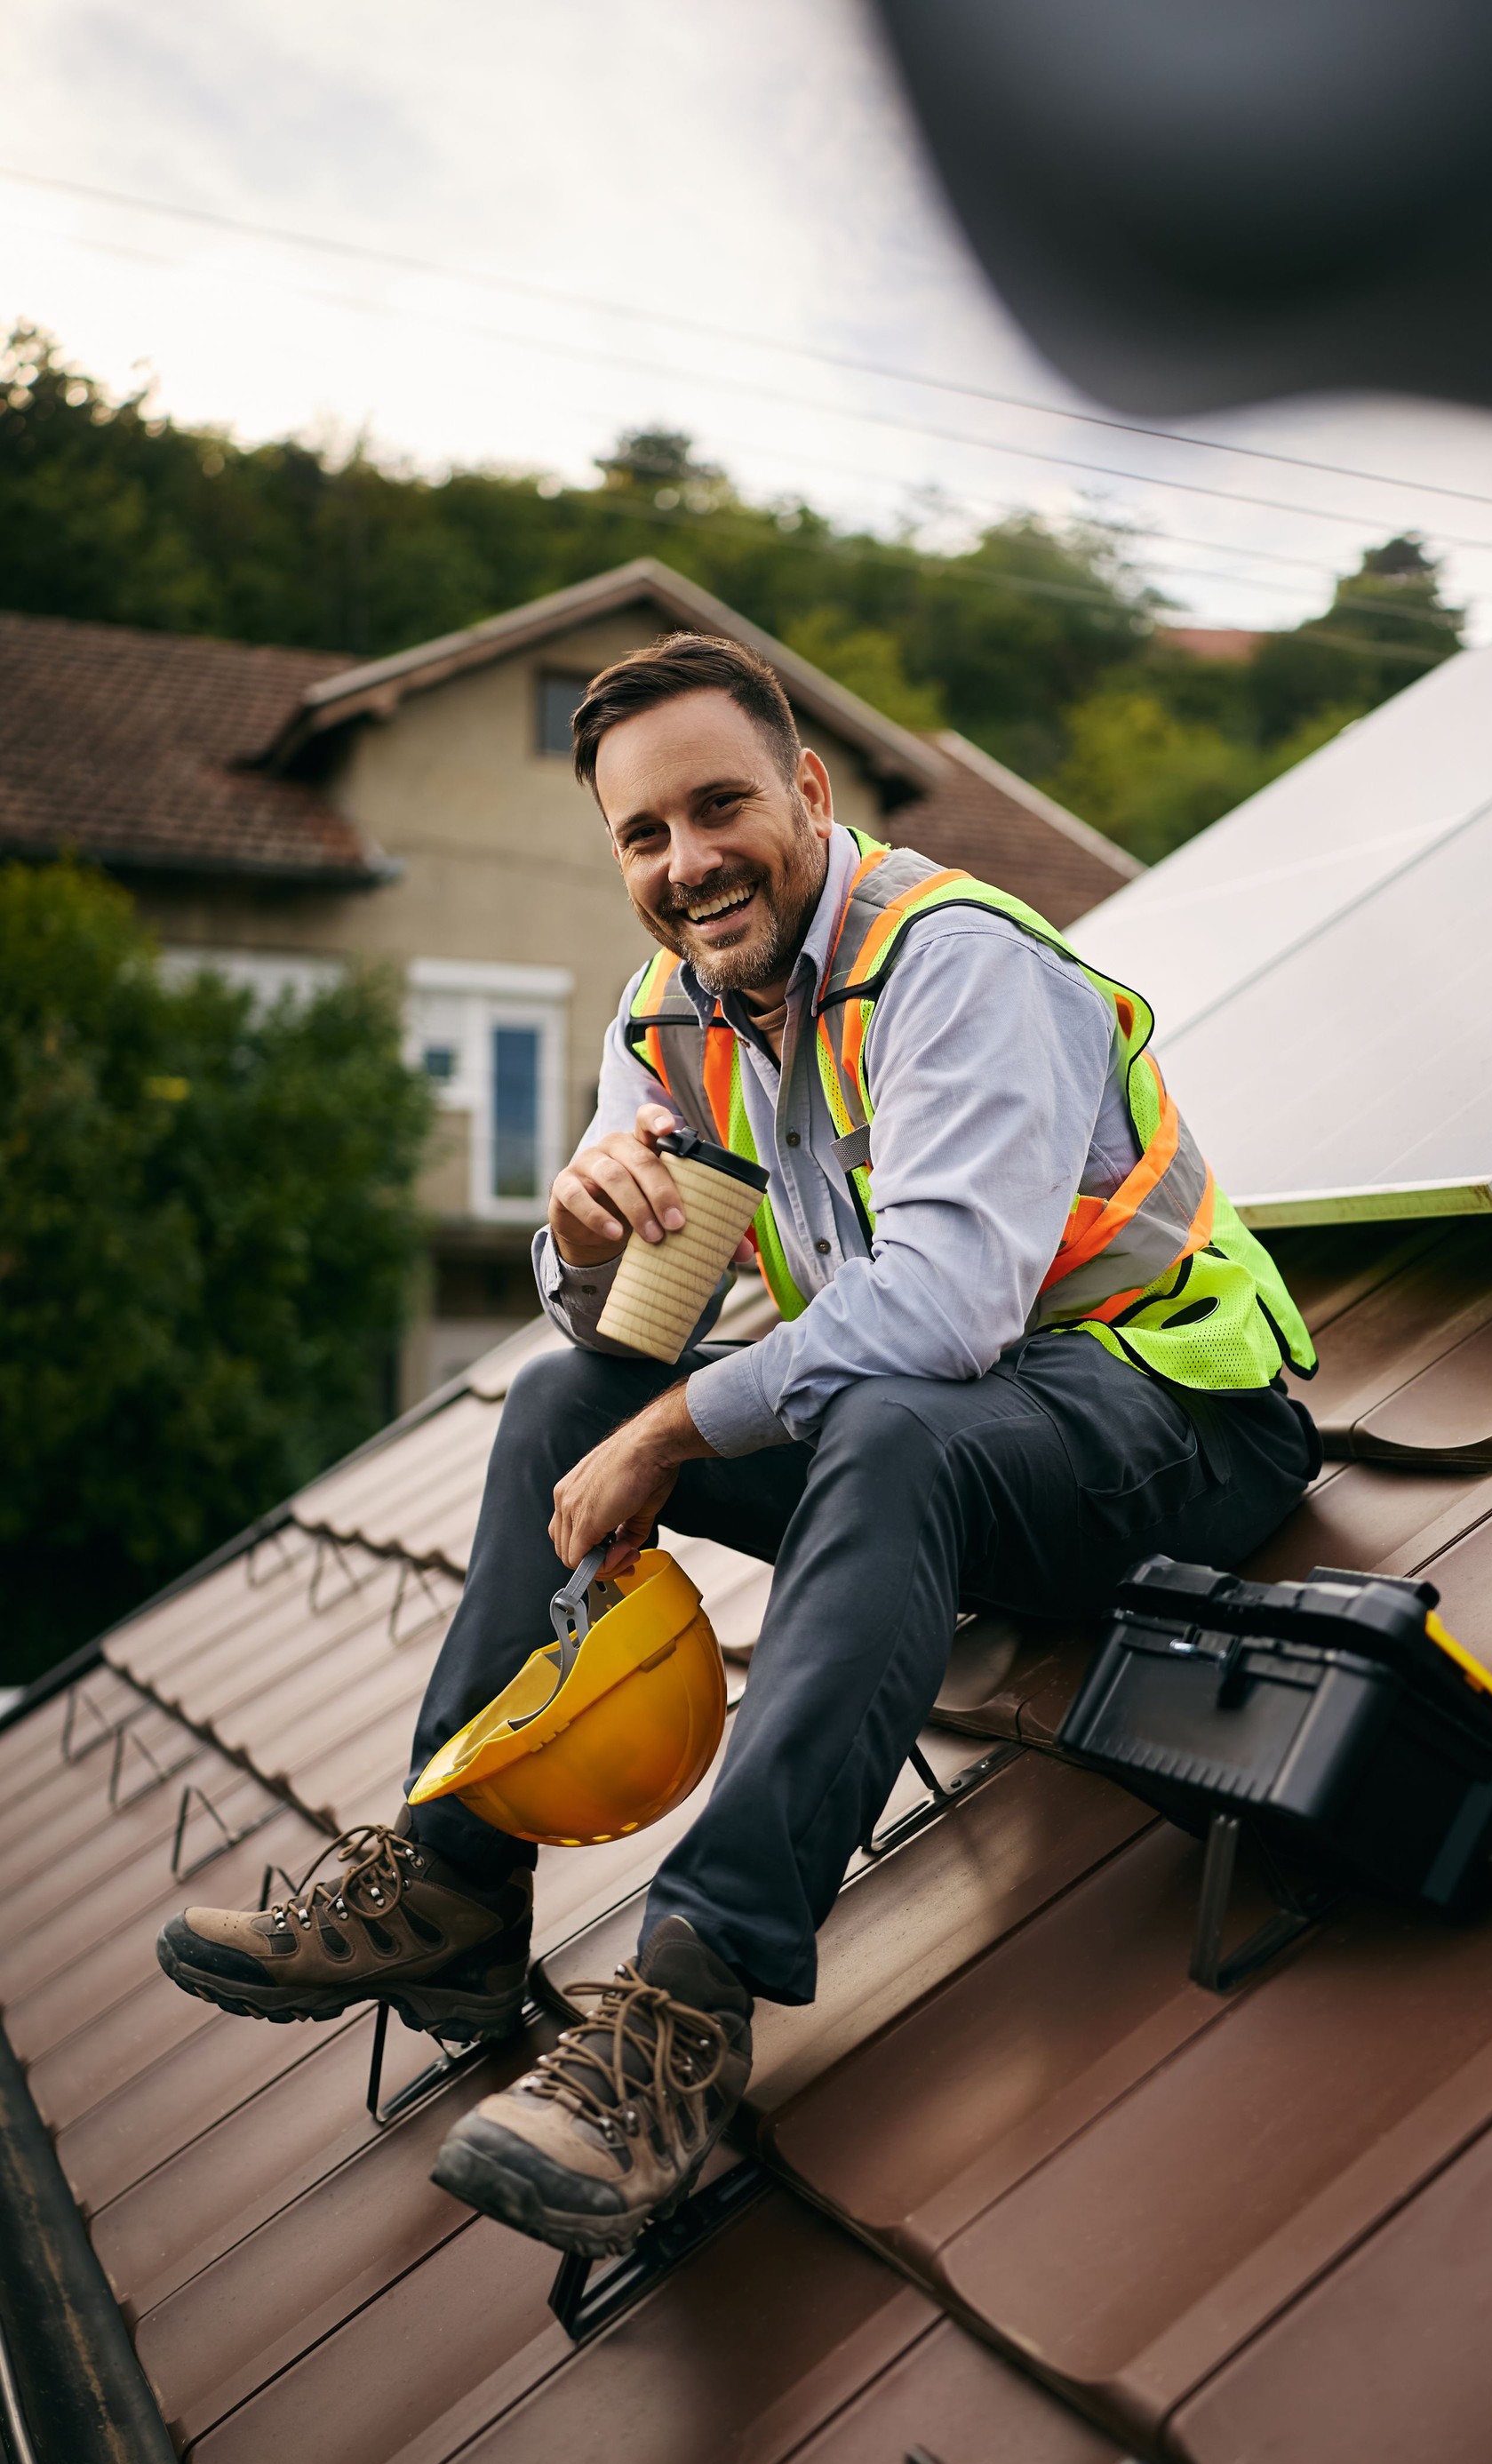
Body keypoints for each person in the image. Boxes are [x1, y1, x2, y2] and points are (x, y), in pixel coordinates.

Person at [158, 631, 1320, 2257]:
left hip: (1168, 1422)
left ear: (809, 791)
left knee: (885, 1422)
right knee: (567, 1405)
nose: (689, 863)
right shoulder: (677, 1014)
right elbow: (622, 1342)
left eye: (720, 808)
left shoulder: (954, 961)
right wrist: (576, 1241)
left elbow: (949, 1310)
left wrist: (678, 1433)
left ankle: (690, 2004)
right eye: (645, 834)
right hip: (972, 1439)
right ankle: (451, 1893)